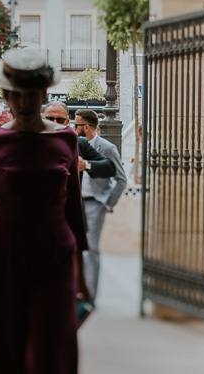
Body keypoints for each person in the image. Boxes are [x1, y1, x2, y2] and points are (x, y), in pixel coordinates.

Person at [0, 49, 92, 374]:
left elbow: (74, 210)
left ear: (44, 94)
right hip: (2, 255)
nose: (24, 102)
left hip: (55, 255)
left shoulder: (66, 139)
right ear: (5, 95)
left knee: (53, 350)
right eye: (16, 94)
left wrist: (82, 274)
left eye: (31, 94)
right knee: (3, 349)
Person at [74, 109, 128, 303]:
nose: (73, 127)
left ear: (86, 127)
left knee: (91, 248)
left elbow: (121, 179)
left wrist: (107, 203)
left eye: (76, 124)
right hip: (77, 202)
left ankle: (90, 295)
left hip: (96, 202)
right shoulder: (76, 144)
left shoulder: (107, 148)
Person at [43, 101, 115, 180]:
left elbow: (109, 167)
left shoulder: (79, 143)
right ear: (43, 120)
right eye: (50, 119)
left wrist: (85, 165)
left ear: (67, 122)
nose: (54, 123)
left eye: (60, 120)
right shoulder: (33, 142)